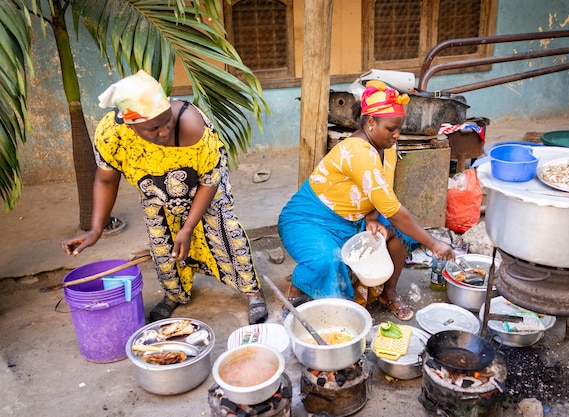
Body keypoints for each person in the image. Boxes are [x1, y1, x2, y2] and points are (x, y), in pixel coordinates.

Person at [61, 70, 268, 324]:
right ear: (130, 124)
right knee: (164, 247)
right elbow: (106, 179)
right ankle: (175, 294)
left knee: (226, 236)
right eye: (153, 128)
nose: (164, 132)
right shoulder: (112, 135)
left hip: (206, 191)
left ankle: (252, 292)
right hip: (156, 196)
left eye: (167, 121)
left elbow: (209, 181)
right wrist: (95, 229)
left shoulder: (192, 126)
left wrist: (189, 226)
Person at [278, 80, 455, 321]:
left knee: (400, 235)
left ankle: (388, 294)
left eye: (398, 128)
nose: (397, 135)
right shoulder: (357, 152)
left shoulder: (386, 146)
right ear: (371, 122)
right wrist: (434, 243)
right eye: (392, 128)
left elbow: (380, 191)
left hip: (353, 219)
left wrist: (372, 217)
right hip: (308, 220)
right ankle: (301, 283)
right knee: (330, 261)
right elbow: (393, 209)